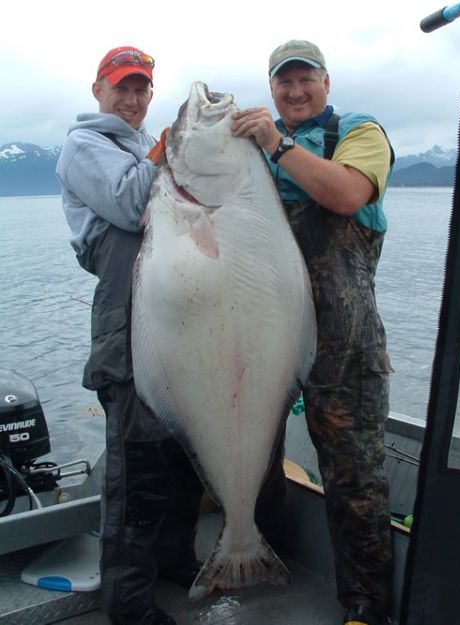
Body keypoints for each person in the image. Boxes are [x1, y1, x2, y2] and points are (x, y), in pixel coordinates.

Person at [232, 40, 394, 625]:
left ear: (327, 82)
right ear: (271, 87)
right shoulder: (249, 146)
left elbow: (347, 194)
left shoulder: (359, 132)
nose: (295, 92)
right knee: (255, 457)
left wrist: (275, 143)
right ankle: (256, 565)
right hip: (264, 339)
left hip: (344, 346)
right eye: (284, 83)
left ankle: (364, 603)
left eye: (306, 80)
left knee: (354, 476)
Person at [56, 46, 204, 625]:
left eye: (143, 87)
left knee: (182, 453)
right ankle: (130, 602)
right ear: (98, 90)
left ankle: (174, 560)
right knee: (137, 466)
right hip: (127, 317)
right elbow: (132, 201)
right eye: (122, 86)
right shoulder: (84, 145)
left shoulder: (146, 147)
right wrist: (173, 152)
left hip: (177, 318)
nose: (134, 97)